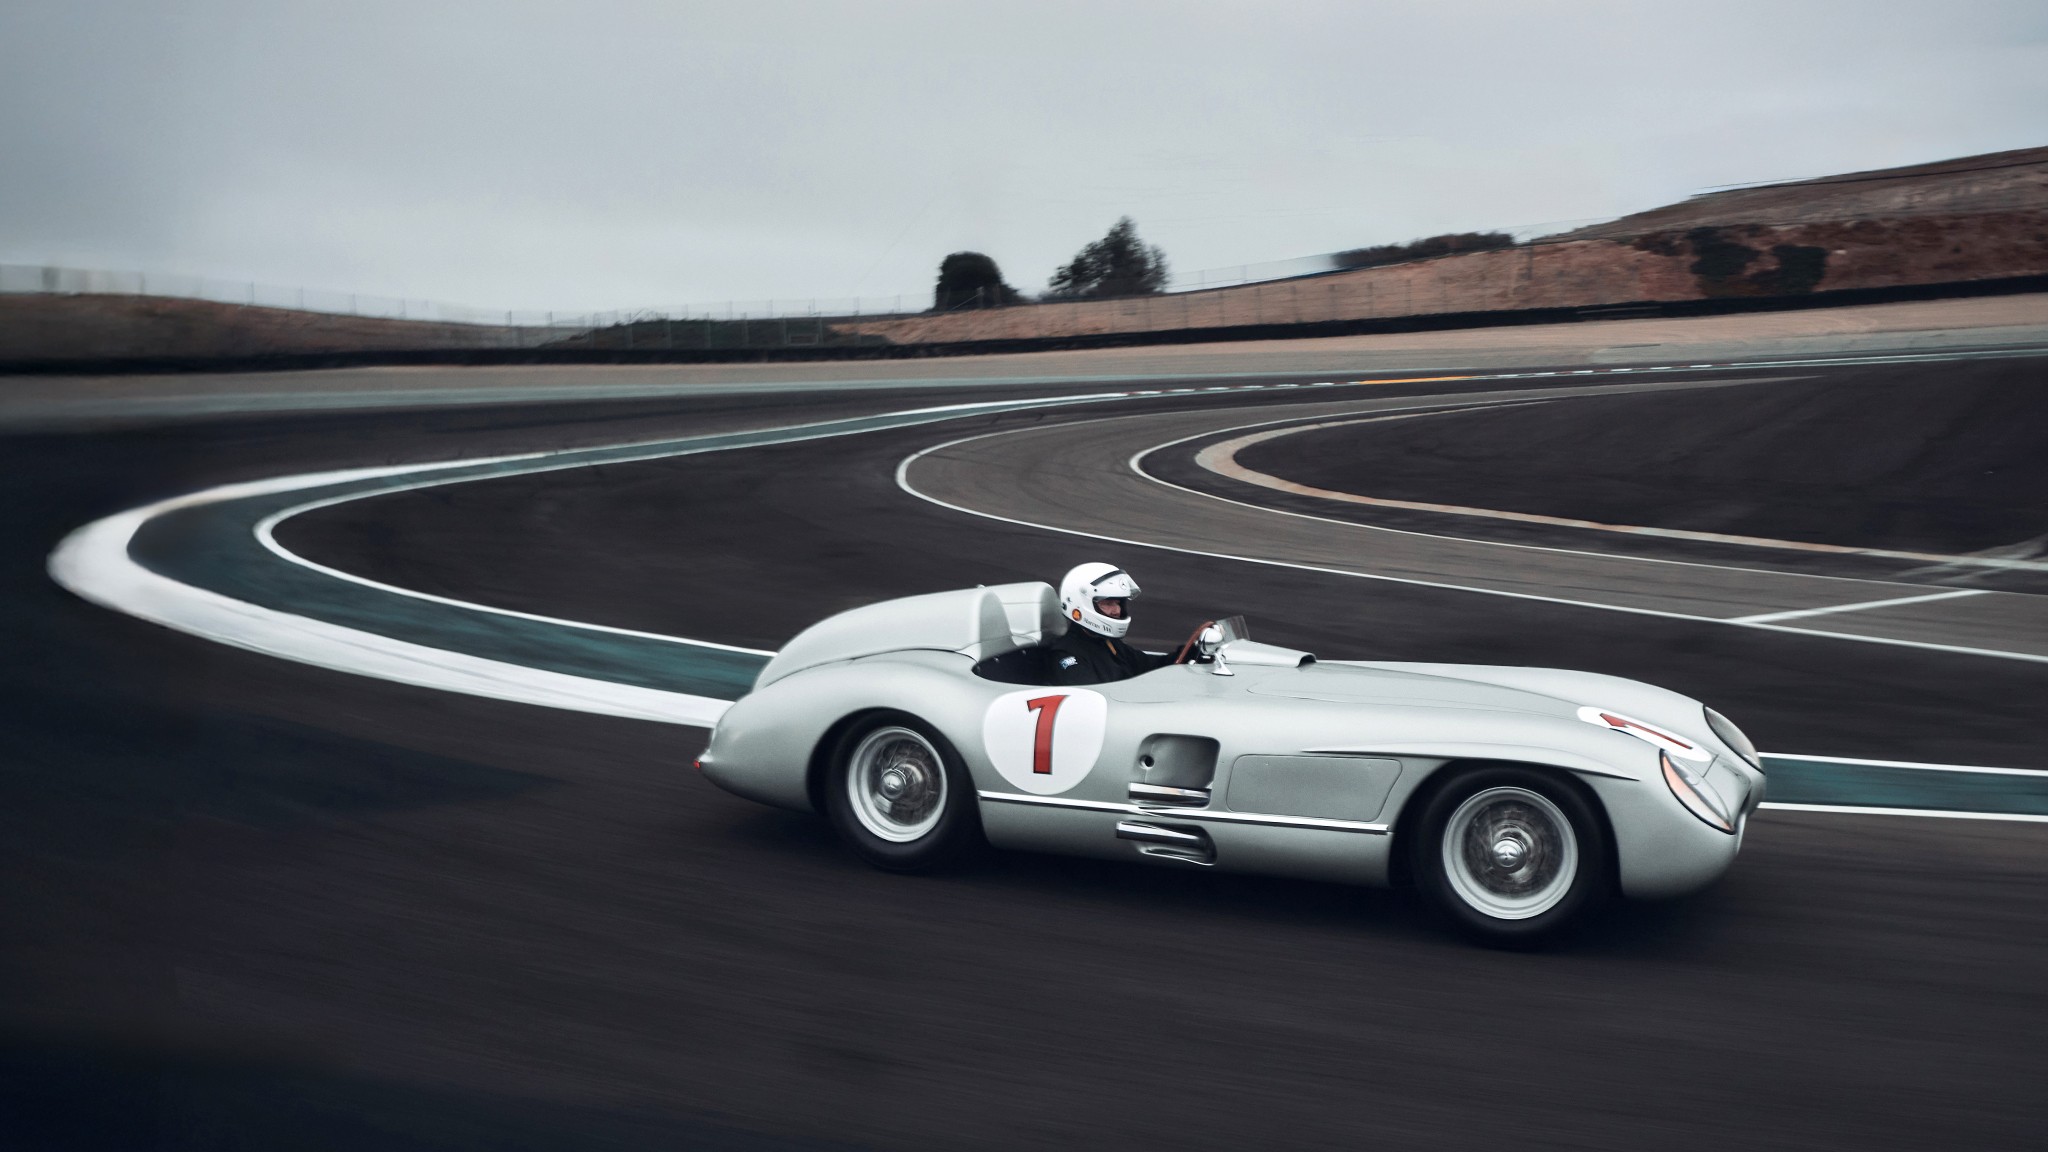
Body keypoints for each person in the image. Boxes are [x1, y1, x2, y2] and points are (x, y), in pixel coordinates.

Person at [1044, 562, 1171, 685]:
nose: (1117, 610)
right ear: (1080, 605)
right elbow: (1094, 698)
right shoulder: (1066, 655)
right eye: (1108, 603)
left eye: (1118, 603)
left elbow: (1150, 665)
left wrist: (1185, 653)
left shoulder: (1109, 644)